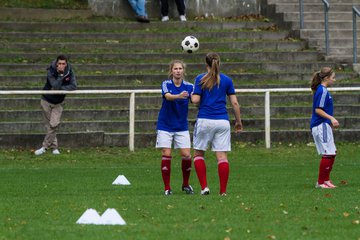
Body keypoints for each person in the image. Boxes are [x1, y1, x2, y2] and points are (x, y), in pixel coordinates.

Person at [191, 52, 243, 196]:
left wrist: (191, 95)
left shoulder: (200, 79)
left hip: (205, 120)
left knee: (198, 153)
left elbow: (195, 100)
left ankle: (204, 187)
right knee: (222, 157)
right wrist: (238, 122)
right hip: (222, 121)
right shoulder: (227, 80)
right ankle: (223, 191)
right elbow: (235, 103)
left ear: (205, 63)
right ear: (219, 63)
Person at [156, 60, 194, 195]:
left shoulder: (190, 86)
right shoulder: (166, 84)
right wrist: (179, 96)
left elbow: (195, 100)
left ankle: (186, 184)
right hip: (165, 125)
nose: (178, 71)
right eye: (175, 69)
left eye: (180, 69)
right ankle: (167, 188)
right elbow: (168, 97)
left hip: (181, 126)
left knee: (186, 155)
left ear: (183, 71)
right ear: (171, 71)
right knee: (166, 153)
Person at [34, 55, 77, 155]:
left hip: (59, 103)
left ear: (66, 64)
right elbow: (55, 85)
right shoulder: (51, 71)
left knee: (54, 124)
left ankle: (44, 147)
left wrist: (61, 88)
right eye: (59, 64)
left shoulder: (70, 71)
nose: (61, 66)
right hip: (46, 100)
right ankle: (54, 148)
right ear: (56, 64)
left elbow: (74, 86)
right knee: (50, 126)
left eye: (63, 64)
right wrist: (60, 76)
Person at [310, 67, 339, 189]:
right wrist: (331, 118)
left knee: (332, 152)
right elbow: (318, 109)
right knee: (328, 153)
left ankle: (326, 180)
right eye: (333, 77)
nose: (334, 80)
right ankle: (321, 182)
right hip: (320, 125)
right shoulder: (322, 91)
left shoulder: (323, 90)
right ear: (326, 78)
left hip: (324, 125)